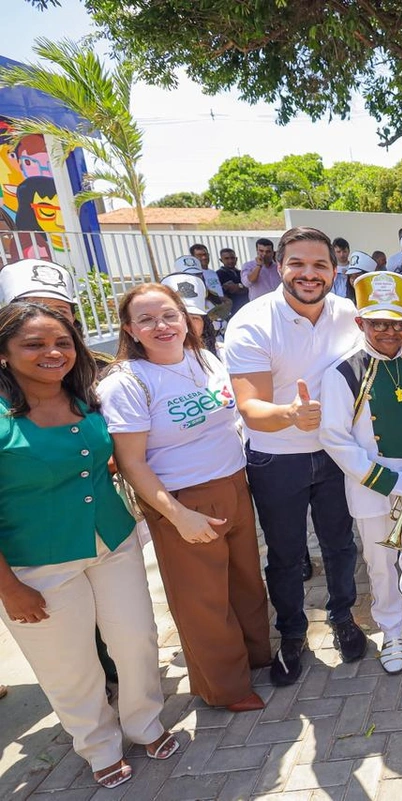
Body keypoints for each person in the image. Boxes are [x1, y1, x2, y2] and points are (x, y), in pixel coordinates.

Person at [224, 227, 402, 685]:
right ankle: (293, 634)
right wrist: (290, 414)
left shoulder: (348, 313)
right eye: (298, 263)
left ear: (334, 270)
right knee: (287, 552)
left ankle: (343, 618)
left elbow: (383, 340)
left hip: (339, 453)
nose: (309, 274)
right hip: (278, 458)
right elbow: (251, 409)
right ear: (279, 265)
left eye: (320, 265)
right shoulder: (252, 321)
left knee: (340, 546)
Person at [0, 302, 178, 789]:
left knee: (136, 638)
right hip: (36, 562)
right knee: (68, 664)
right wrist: (9, 589)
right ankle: (97, 745)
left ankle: (144, 723)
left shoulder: (88, 394)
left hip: (112, 541)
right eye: (33, 345)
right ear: (4, 353)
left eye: (62, 342)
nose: (52, 353)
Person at [99, 283, 271, 711]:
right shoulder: (127, 382)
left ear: (186, 318)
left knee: (246, 582)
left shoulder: (205, 358)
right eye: (147, 319)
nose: (162, 325)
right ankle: (226, 687)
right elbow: (132, 463)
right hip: (182, 497)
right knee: (203, 601)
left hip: (233, 483)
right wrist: (177, 515)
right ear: (129, 329)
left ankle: (256, 657)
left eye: (169, 315)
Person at [319, 271, 402, 674]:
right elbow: (335, 438)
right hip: (371, 482)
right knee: (380, 562)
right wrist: (389, 480)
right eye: (378, 323)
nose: (389, 332)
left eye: (396, 323)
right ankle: (391, 628)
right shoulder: (343, 373)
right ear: (361, 323)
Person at [160, 273, 220, 355]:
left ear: (204, 324)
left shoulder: (221, 355)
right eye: (175, 317)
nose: (187, 324)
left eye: (194, 318)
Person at [216, 248, 250, 315]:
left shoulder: (241, 272)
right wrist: (244, 286)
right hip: (233, 310)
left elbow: (249, 287)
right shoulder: (219, 274)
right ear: (221, 260)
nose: (230, 261)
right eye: (227, 258)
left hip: (247, 307)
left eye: (232, 258)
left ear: (236, 259)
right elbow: (233, 289)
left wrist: (240, 286)